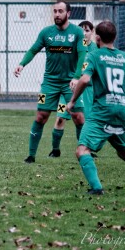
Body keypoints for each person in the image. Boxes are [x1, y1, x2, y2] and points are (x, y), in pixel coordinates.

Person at [66, 21, 125, 195]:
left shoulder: (94, 56)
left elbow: (85, 79)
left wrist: (72, 101)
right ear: (114, 37)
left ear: (97, 38)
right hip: (121, 109)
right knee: (124, 151)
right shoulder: (124, 57)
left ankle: (97, 189)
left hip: (102, 110)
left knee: (82, 150)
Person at [14, 1, 86, 164]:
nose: (57, 14)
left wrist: (76, 77)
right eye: (55, 11)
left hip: (70, 83)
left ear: (68, 13)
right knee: (41, 116)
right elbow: (33, 50)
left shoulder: (77, 33)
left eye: (60, 11)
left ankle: (84, 153)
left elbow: (82, 55)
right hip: (49, 83)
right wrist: (21, 64)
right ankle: (31, 155)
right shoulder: (46, 32)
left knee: (79, 117)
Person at [48, 20, 95, 158]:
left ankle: (85, 150)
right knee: (60, 118)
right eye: (81, 30)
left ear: (92, 32)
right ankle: (55, 150)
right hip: (68, 90)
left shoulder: (96, 50)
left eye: (87, 30)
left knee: (82, 121)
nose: (84, 33)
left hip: (86, 92)